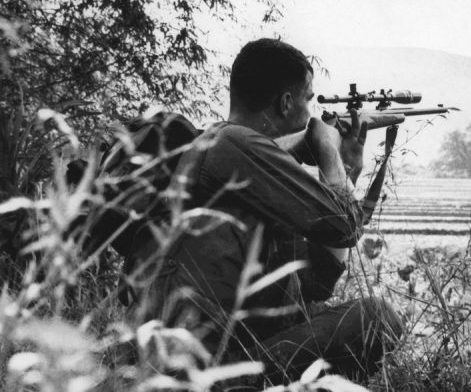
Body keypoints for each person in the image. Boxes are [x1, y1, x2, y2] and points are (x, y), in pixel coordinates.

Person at [122, 38, 403, 387]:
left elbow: (318, 283)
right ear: (286, 102)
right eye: (308, 99)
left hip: (207, 366)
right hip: (197, 376)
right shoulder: (233, 142)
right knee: (376, 317)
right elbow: (344, 225)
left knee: (358, 320)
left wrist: (346, 169)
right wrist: (328, 152)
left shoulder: (235, 162)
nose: (310, 110)